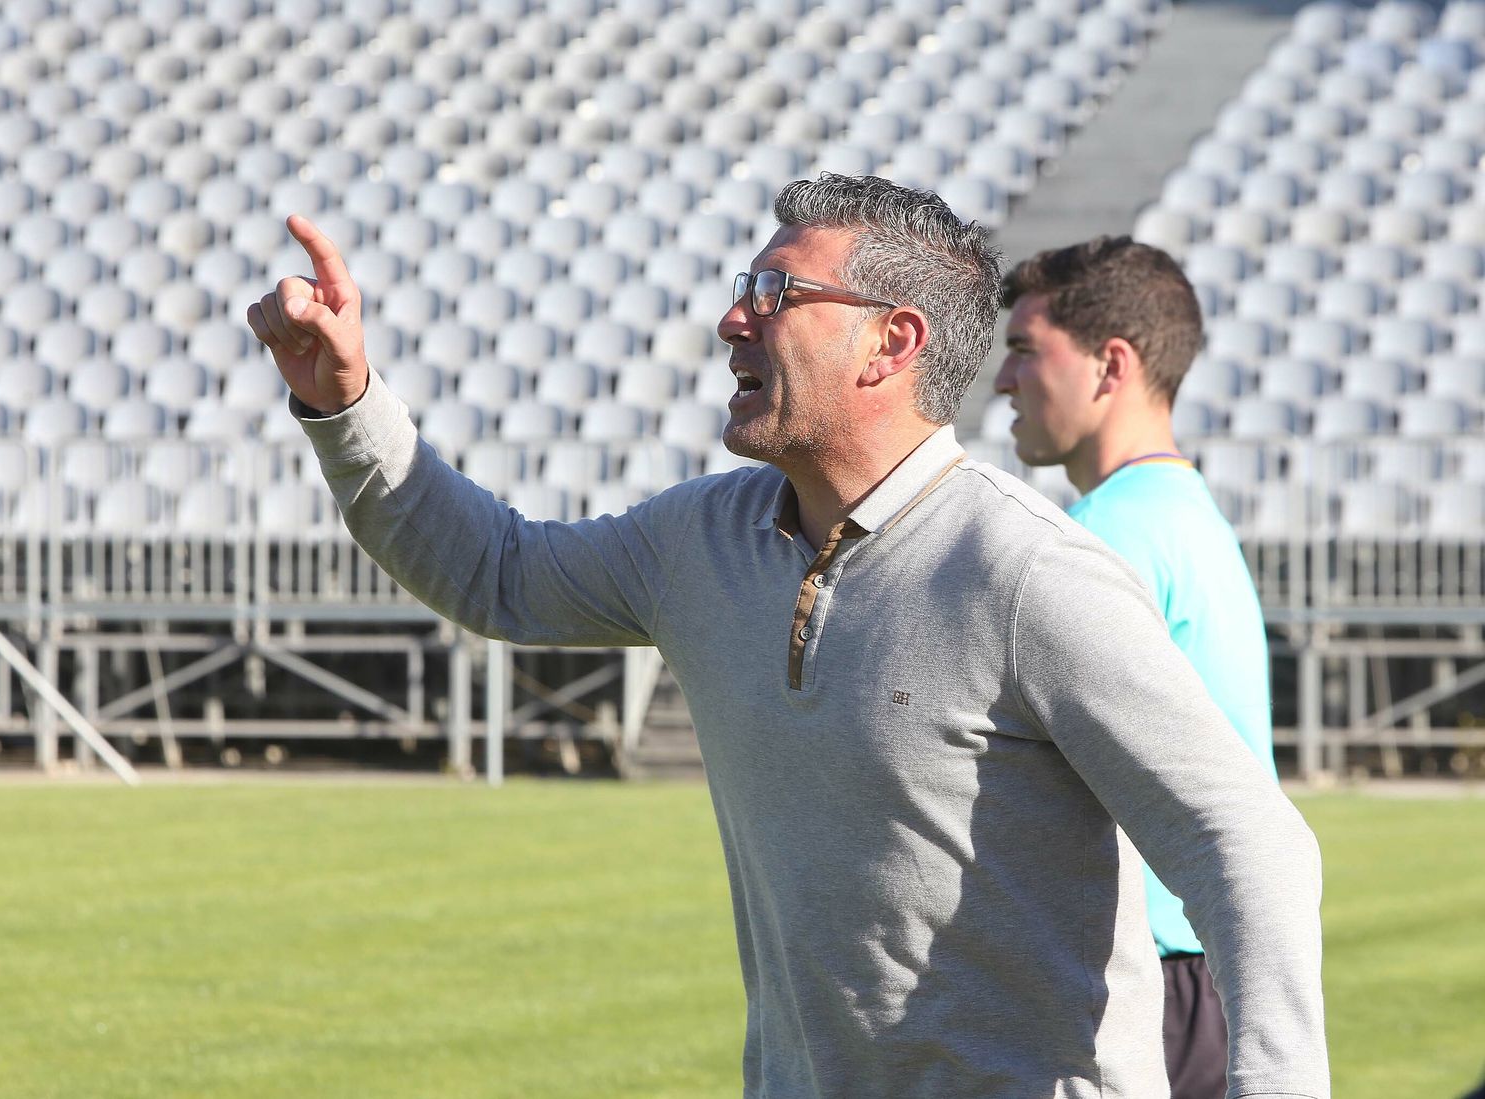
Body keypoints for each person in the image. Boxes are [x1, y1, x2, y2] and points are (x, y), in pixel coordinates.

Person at [247, 174, 1328, 1099]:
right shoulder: (695, 538)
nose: (733, 321)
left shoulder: (1028, 572)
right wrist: (348, 402)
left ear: (890, 343)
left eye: (775, 294)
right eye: (741, 291)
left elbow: (1247, 839)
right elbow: (495, 572)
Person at [995, 237, 1278, 1099]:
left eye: (1023, 352)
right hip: (1197, 965)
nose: (1004, 382)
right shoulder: (1182, 515)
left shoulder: (1109, 539)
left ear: (1110, 364)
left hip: (1146, 968)